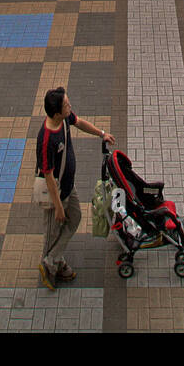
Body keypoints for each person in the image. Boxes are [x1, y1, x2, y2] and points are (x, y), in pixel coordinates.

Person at [37, 87, 114, 290]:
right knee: (52, 233)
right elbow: (48, 177)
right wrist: (58, 207)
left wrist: (101, 134)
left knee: (76, 218)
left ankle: (53, 260)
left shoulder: (65, 119)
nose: (70, 107)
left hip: (68, 187)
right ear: (56, 112)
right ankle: (52, 266)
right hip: (57, 194)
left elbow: (79, 123)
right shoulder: (46, 140)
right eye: (66, 105)